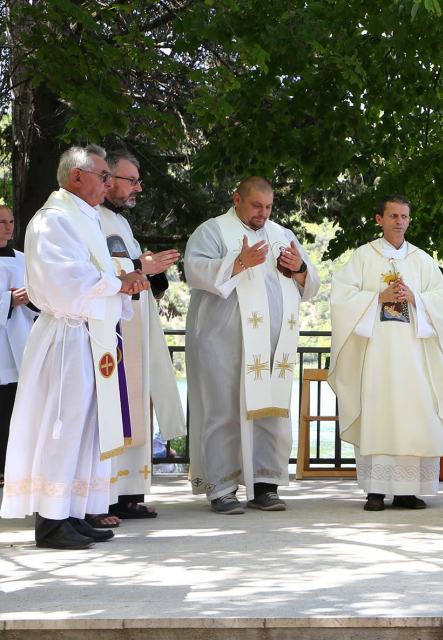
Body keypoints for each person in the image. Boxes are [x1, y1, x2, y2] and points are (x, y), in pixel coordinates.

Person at [0, 146, 149, 549]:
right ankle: (50, 522)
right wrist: (121, 282)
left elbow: (98, 274)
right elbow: (68, 279)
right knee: (61, 425)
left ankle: (72, 511)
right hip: (66, 334)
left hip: (91, 334)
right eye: (102, 175)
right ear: (76, 177)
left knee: (85, 428)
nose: (107, 183)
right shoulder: (53, 220)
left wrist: (127, 279)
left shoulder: (83, 219)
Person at [185, 177, 320, 514]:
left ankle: (265, 485)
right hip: (224, 341)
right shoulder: (213, 231)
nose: (263, 213)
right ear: (237, 199)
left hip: (274, 344)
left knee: (270, 411)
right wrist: (238, 262)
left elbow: (309, 283)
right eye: (256, 205)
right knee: (224, 410)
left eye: (269, 206)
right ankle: (223, 488)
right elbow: (195, 270)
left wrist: (300, 268)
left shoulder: (283, 235)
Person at [328, 195, 443, 511]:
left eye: (404, 216)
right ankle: (375, 490)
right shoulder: (363, 257)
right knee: (379, 411)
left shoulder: (422, 260)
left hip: (413, 355)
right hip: (377, 355)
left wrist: (416, 298)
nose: (400, 221)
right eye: (393, 216)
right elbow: (341, 298)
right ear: (379, 219)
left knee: (414, 413)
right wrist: (377, 298)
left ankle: (407, 490)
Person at [98, 149, 186, 520]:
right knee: (113, 409)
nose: (138, 187)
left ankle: (128, 493)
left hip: (133, 326)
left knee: (133, 409)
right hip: (110, 330)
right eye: (131, 180)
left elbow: (131, 269)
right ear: (107, 181)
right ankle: (105, 496)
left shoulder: (120, 223)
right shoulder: (91, 221)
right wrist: (139, 266)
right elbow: (102, 270)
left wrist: (153, 272)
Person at [0, 204, 39, 489]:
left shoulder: (23, 259)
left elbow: (40, 301)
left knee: (16, 409)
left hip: (21, 338)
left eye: (11, 221)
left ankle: (15, 471)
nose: (8, 227)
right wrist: (6, 301)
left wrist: (28, 299)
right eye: (2, 222)